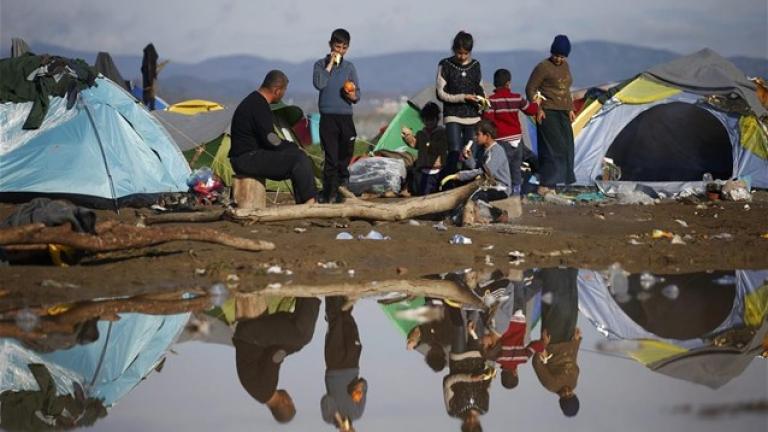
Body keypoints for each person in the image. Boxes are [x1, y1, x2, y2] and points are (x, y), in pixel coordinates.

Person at [229, 70, 317, 204]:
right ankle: (310, 202)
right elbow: (270, 139)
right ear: (277, 90)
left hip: (246, 156)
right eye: (284, 91)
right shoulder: (259, 105)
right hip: (246, 158)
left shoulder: (254, 101)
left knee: (297, 156)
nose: (283, 94)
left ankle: (304, 202)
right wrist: (292, 147)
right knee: (298, 159)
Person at [233, 297, 321, 424]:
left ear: (285, 403)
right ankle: (305, 297)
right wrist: (293, 348)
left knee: (302, 336)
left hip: (251, 335)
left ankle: (310, 295)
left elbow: (274, 357)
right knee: (296, 337)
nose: (290, 397)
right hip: (250, 337)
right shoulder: (259, 393)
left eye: (291, 400)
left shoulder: (266, 389)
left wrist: (291, 348)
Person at [313, 28, 361, 203]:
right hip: (328, 117)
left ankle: (342, 188)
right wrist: (330, 64)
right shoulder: (319, 65)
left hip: (345, 117)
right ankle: (329, 193)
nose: (340, 51)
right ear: (330, 45)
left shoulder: (350, 67)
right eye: (337, 46)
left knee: (346, 153)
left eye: (344, 48)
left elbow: (358, 94)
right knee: (331, 157)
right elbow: (319, 84)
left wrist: (353, 96)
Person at [525, 34, 575, 196]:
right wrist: (537, 109)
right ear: (552, 52)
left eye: (562, 56)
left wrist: (570, 109)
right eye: (556, 55)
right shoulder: (543, 67)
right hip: (548, 113)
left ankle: (555, 182)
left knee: (565, 147)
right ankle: (546, 183)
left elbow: (566, 90)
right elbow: (531, 88)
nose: (559, 59)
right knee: (551, 149)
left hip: (563, 113)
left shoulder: (565, 66)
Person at [532, 267, 582, 418]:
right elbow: (573, 359)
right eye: (571, 395)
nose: (567, 392)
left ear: (561, 399)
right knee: (572, 304)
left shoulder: (550, 385)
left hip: (553, 340)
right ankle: (570, 269)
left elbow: (536, 363)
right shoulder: (573, 383)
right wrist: (577, 341)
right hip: (568, 338)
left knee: (559, 306)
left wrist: (543, 345)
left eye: (565, 397)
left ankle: (550, 270)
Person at [436, 31, 485, 179]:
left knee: (470, 154)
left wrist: (482, 100)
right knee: (455, 151)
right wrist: (463, 98)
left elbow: (480, 87)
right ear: (454, 50)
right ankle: (447, 183)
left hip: (473, 117)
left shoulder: (476, 65)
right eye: (459, 53)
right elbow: (441, 93)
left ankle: (468, 186)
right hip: (453, 116)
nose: (462, 57)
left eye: (466, 53)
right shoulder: (445, 65)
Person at [483, 68, 539, 196]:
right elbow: (531, 110)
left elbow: (488, 119)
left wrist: (483, 108)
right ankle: (516, 193)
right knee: (516, 168)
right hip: (517, 140)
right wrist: (536, 103)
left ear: (495, 84)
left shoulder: (492, 100)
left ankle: (504, 194)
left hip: (502, 141)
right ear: (508, 83)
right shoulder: (517, 98)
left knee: (504, 169)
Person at [321, 296, 368, 431]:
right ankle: (344, 289)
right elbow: (364, 385)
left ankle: (331, 289)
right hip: (353, 364)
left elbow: (327, 400)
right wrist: (360, 387)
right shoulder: (357, 413)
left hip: (334, 366)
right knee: (348, 320)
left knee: (335, 321)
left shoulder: (329, 418)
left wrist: (338, 418)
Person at [484, 311, 549, 390]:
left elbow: (535, 345)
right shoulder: (497, 357)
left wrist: (543, 347)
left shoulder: (522, 358)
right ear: (502, 373)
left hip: (519, 318)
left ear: (515, 373)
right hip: (503, 319)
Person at [454, 120, 513, 203]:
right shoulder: (482, 150)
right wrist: (468, 157)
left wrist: (461, 175)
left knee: (478, 197)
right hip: (487, 186)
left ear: (487, 136)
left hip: (500, 188)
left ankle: (497, 214)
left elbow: (483, 172)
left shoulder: (497, 151)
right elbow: (475, 167)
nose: (475, 137)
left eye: (478, 134)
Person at [401, 102, 449, 195]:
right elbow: (415, 145)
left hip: (438, 170)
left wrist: (427, 144)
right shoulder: (421, 133)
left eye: (431, 119)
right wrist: (408, 138)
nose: (429, 122)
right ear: (423, 120)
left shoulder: (442, 133)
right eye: (426, 120)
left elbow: (439, 147)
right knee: (424, 195)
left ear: (437, 119)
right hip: (424, 171)